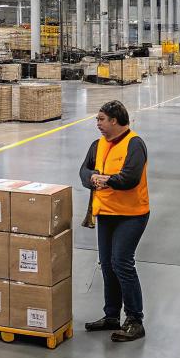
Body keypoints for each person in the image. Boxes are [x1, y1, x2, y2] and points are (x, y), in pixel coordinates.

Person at [79, 100, 150, 343]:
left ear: (115, 120)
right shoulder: (97, 145)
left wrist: (106, 180)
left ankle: (135, 320)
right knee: (107, 264)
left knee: (121, 262)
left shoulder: (135, 144)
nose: (97, 123)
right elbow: (84, 171)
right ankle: (111, 316)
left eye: (101, 119)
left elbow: (130, 178)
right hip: (106, 213)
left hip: (132, 215)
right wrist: (92, 177)